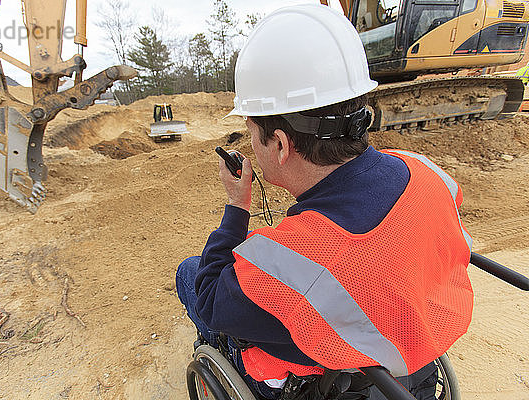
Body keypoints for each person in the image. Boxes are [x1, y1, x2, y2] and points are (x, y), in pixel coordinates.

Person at [176, 4, 474, 399]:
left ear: (280, 144)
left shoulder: (294, 259)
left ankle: (220, 355)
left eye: (251, 132)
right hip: (411, 365)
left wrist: (237, 207)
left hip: (325, 378)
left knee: (191, 274)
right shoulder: (427, 173)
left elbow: (212, 294)